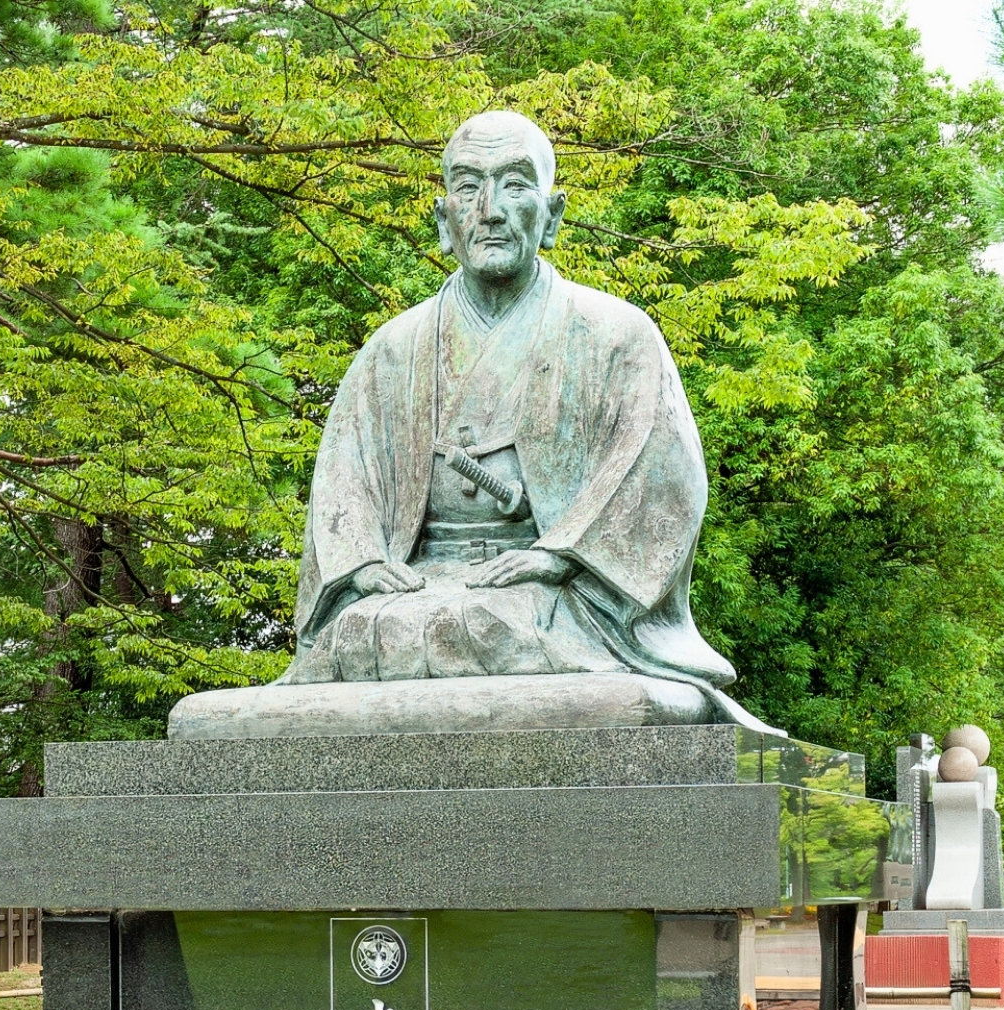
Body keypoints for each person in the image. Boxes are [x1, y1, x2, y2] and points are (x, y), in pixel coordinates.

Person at [280, 110, 765, 728]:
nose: (490, 209)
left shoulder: (617, 335)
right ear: (442, 219)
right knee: (370, 635)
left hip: (566, 594)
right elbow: (342, 484)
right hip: (416, 590)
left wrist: (561, 555)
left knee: (494, 626)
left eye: (514, 185)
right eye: (468, 187)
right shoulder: (390, 352)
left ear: (553, 213)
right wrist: (366, 565)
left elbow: (662, 473)